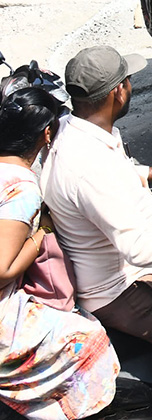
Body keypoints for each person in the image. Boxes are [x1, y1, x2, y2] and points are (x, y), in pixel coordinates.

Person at [40, 46, 152, 364]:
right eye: (128, 80)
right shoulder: (88, 165)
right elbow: (138, 248)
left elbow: (113, 180)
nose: (130, 86)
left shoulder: (76, 128)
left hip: (135, 272)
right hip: (131, 291)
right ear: (117, 93)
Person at [0, 86, 120, 418]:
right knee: (87, 340)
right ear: (47, 133)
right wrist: (44, 231)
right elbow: (4, 269)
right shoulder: (21, 187)